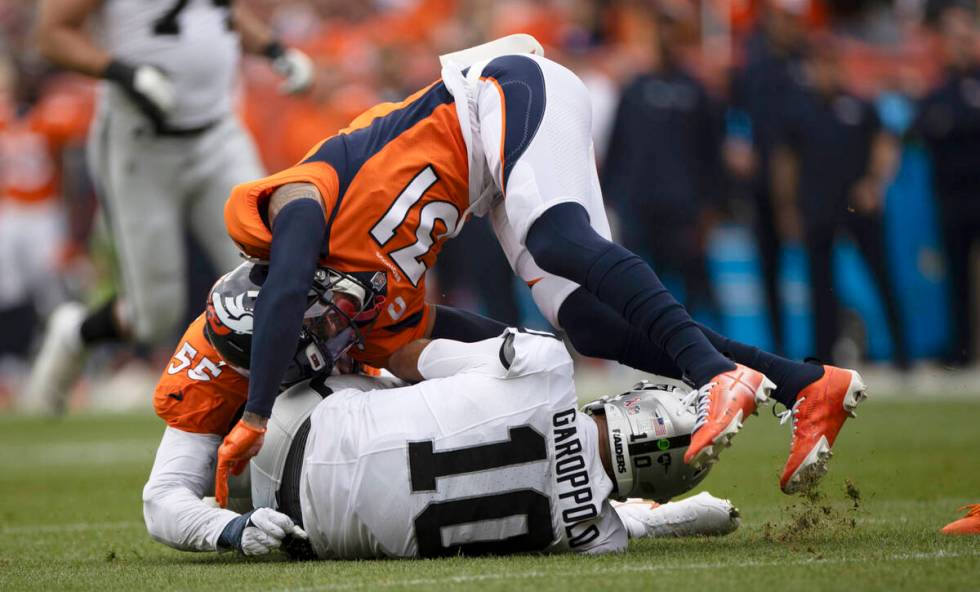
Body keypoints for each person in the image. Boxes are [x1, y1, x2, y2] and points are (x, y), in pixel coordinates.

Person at [222, 37, 867, 500]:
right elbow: (487, 340)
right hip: (492, 175)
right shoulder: (370, 316)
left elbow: (284, 292)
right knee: (587, 323)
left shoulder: (291, 203)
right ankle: (805, 385)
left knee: (558, 239)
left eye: (310, 323)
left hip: (496, 92)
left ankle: (716, 377)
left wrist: (253, 416)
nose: (324, 328)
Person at [144, 312, 740, 556]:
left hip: (293, 475)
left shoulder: (547, 366)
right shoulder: (596, 535)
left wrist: (230, 531)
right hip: (317, 535)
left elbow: (413, 357)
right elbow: (604, 514)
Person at [24, 0, 315, 414]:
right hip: (141, 143)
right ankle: (76, 333)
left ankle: (276, 412)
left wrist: (273, 50)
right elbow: (50, 34)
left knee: (269, 266)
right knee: (155, 315)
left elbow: (218, 11)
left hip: (218, 133)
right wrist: (124, 72)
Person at [771, 38, 909, 368]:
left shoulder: (860, 107)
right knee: (821, 286)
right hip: (818, 206)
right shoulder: (800, 110)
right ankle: (824, 358)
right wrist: (787, 207)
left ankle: (903, 352)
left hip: (858, 205)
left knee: (882, 274)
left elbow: (886, 143)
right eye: (820, 66)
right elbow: (785, 161)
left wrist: (875, 183)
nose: (827, 73)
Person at [912, 1, 980, 366]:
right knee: (955, 278)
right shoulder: (939, 87)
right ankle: (963, 349)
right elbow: (925, 128)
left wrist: (954, 125)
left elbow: (950, 125)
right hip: (953, 197)